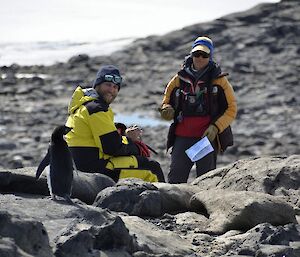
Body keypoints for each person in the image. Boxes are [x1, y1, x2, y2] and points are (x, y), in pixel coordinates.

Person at [65, 65, 165, 182]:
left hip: (79, 164)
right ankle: (166, 200)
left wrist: (124, 138)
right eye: (108, 85)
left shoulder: (84, 105)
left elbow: (106, 143)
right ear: (97, 85)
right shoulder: (96, 109)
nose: (112, 90)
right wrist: (132, 143)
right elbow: (112, 148)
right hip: (93, 169)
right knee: (152, 168)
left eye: (115, 87)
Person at [160, 36, 237, 183]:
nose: (200, 58)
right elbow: (166, 101)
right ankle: (175, 207)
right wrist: (167, 109)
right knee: (176, 179)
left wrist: (216, 127)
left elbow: (232, 109)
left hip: (205, 139)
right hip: (181, 137)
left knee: (205, 182)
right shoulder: (178, 79)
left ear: (210, 56)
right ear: (191, 55)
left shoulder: (219, 81)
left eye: (204, 55)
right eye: (197, 54)